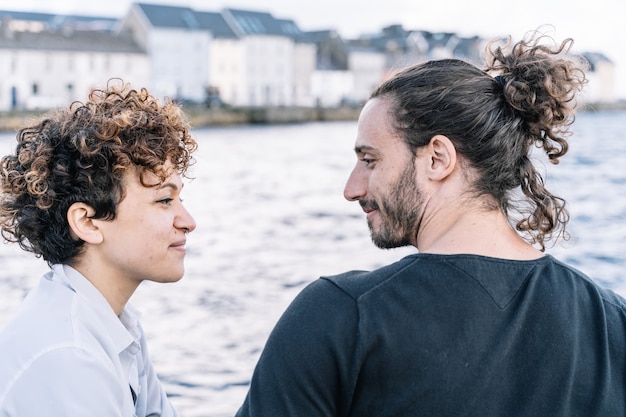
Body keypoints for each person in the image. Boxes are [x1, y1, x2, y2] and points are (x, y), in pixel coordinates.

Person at [235, 32, 626, 416]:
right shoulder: (611, 320)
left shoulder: (341, 316)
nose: (352, 189)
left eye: (370, 160)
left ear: (437, 158)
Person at [0, 81, 197, 416]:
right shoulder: (68, 357)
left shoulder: (114, 324)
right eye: (164, 200)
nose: (188, 221)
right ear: (88, 222)